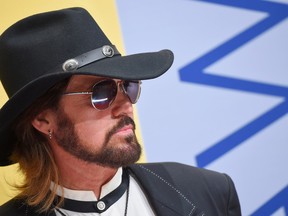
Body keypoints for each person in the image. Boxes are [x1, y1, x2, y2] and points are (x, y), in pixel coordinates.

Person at [0, 7, 241, 216]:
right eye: (101, 93)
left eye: (128, 86)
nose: (126, 104)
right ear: (42, 119)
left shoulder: (208, 191)